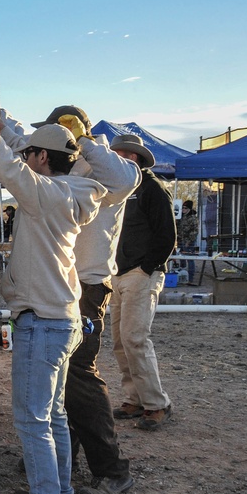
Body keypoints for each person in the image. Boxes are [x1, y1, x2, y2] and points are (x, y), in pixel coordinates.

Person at [0, 66, 118, 494]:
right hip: (62, 318)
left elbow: (6, 162)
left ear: (41, 158)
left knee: (34, 420)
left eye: (29, 152)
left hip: (43, 321)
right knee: (51, 416)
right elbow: (14, 155)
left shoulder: (46, 195)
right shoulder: (69, 192)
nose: (22, 157)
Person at [0, 104, 141, 494]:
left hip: (87, 287)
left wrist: (84, 142)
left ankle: (111, 471)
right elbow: (22, 146)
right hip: (59, 286)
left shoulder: (104, 172)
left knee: (78, 379)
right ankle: (57, 476)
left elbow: (128, 177)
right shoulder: (57, 174)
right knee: (57, 389)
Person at [109, 134, 176, 430]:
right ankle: (135, 399)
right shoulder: (121, 188)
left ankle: (156, 404)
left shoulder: (153, 189)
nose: (112, 160)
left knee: (134, 338)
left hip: (139, 272)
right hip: (121, 272)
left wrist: (148, 267)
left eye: (118, 155)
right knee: (120, 341)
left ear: (132, 158)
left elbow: (167, 236)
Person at [177, 199, 199, 282]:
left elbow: (194, 231)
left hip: (188, 241)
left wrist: (189, 241)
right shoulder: (181, 217)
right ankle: (182, 274)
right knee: (181, 258)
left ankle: (191, 277)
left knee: (190, 259)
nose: (183, 210)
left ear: (189, 209)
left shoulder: (193, 218)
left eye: (185, 208)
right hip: (180, 240)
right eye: (182, 208)